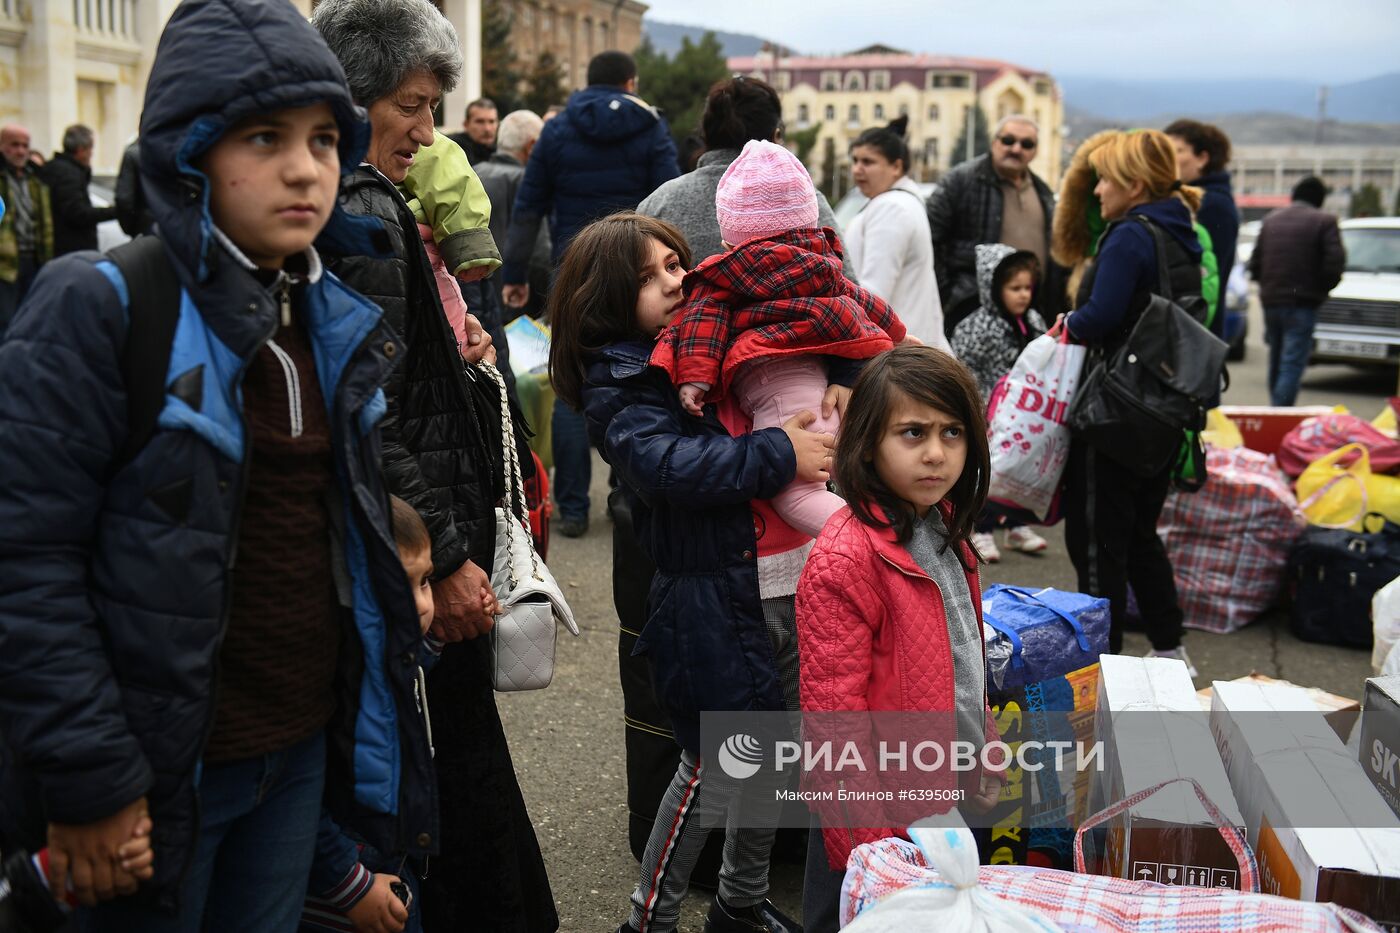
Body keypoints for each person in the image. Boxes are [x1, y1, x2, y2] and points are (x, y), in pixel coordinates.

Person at [0, 0, 438, 928]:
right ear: (187, 152)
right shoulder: (104, 303)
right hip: (155, 780)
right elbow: (26, 560)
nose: (303, 167)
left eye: (325, 139)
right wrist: (90, 779)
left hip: (294, 761)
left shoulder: (325, 318)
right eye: (264, 136)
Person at [310, 2, 558, 930]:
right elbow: (371, 409)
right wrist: (446, 557)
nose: (428, 129)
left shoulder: (368, 198)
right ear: (356, 95)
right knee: (455, 784)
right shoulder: (363, 205)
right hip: (418, 550)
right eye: (411, 105)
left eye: (432, 106)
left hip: (417, 538)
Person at [550, 212, 829, 933]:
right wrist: (779, 454)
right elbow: (667, 467)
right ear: (610, 294)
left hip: (779, 575)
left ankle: (740, 902)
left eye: (676, 263)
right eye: (653, 274)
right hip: (712, 595)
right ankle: (650, 919)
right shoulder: (622, 378)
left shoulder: (701, 335)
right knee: (711, 763)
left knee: (770, 757)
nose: (679, 278)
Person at [796, 345, 1005, 933]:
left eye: (952, 432)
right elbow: (833, 724)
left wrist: (983, 750)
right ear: (867, 444)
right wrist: (870, 849)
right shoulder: (846, 559)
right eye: (912, 433)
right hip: (876, 817)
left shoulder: (945, 531)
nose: (937, 453)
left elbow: (967, 658)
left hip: (946, 795)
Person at [651, 138, 905, 539]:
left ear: (730, 240)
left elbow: (703, 322)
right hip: (830, 388)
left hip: (783, 390)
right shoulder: (825, 263)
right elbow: (868, 305)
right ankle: (892, 531)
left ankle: (868, 546)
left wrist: (695, 380)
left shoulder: (729, 274)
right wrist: (901, 336)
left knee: (798, 496)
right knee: (858, 476)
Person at [501, 49, 680, 539]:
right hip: (638, 272)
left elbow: (531, 202)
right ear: (630, 81)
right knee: (641, 375)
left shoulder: (558, 129)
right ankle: (630, 491)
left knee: (572, 383)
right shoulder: (649, 127)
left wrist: (514, 270)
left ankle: (573, 507)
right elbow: (666, 196)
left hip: (575, 268)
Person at [1058, 130, 1203, 672]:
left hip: (1116, 415)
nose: (1097, 190)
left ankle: (1105, 667)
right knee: (1142, 534)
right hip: (1163, 410)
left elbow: (1099, 317)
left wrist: (1062, 325)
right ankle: (1171, 648)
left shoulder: (1130, 235)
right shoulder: (1181, 231)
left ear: (1135, 184)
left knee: (1097, 542)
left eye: (1106, 178)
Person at [302, 496, 480, 933]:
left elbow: (412, 665)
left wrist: (436, 642)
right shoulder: (331, 682)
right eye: (401, 584)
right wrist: (349, 883)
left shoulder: (394, 652)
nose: (422, 603)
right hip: (344, 886)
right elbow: (304, 801)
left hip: (397, 861)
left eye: (425, 583)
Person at [638, 75, 846, 269]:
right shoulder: (803, 199)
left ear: (705, 135)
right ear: (776, 134)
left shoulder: (659, 203)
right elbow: (846, 279)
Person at [950, 243, 1049, 561]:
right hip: (991, 411)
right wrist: (977, 406)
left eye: (1027, 288)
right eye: (1014, 288)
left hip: (1023, 411)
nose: (1023, 295)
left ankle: (1017, 525)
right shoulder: (978, 326)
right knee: (988, 471)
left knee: (1019, 469)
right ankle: (982, 529)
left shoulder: (1032, 320)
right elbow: (963, 366)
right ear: (993, 288)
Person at [926, 114, 1063, 331]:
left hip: (1028, 317)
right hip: (972, 315)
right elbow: (931, 238)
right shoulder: (961, 181)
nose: (1016, 149)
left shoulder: (1043, 192)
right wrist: (949, 297)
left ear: (1035, 151)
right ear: (994, 142)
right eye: (1008, 140)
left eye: (1026, 144)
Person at [845, 117, 948, 349]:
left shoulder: (892, 207)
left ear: (896, 167)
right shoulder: (897, 202)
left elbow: (874, 294)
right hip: (908, 347)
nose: (857, 169)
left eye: (868, 162)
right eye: (854, 160)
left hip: (900, 353)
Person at [1249, 175, 1346, 407]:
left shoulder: (1272, 219)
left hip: (1271, 300)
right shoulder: (1325, 221)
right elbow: (1335, 264)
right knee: (1292, 362)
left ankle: (1275, 409)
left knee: (1276, 358)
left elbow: (1254, 263)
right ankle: (1280, 411)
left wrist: (1267, 286)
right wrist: (1321, 290)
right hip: (1303, 303)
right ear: (1320, 199)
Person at [475, 108, 551, 323]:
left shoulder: (472, 172)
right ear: (532, 146)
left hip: (474, 297)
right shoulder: (527, 182)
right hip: (516, 301)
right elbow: (540, 255)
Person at [1165, 119, 1239, 338]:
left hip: (1198, 327)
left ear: (1202, 158)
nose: (1169, 159)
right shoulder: (1194, 199)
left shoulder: (1211, 204)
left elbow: (1206, 275)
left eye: (1178, 151)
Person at [0, 123, 52, 329]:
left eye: (25, 145)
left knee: (30, 320)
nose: (21, 150)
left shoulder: (35, 179)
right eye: (15, 144)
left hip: (34, 259)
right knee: (6, 321)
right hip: (5, 264)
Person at [39, 124, 117, 257]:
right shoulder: (68, 174)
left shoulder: (58, 169)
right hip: (72, 250)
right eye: (91, 149)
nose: (92, 154)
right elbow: (78, 214)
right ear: (81, 150)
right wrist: (117, 211)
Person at [114, 138, 154, 237]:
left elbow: (124, 200)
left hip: (145, 229)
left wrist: (130, 228)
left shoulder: (133, 154)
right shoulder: (184, 148)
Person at [447, 97, 498, 165]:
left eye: (491, 122)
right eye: (480, 122)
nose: (487, 128)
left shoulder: (504, 148)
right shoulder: (454, 148)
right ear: (466, 124)